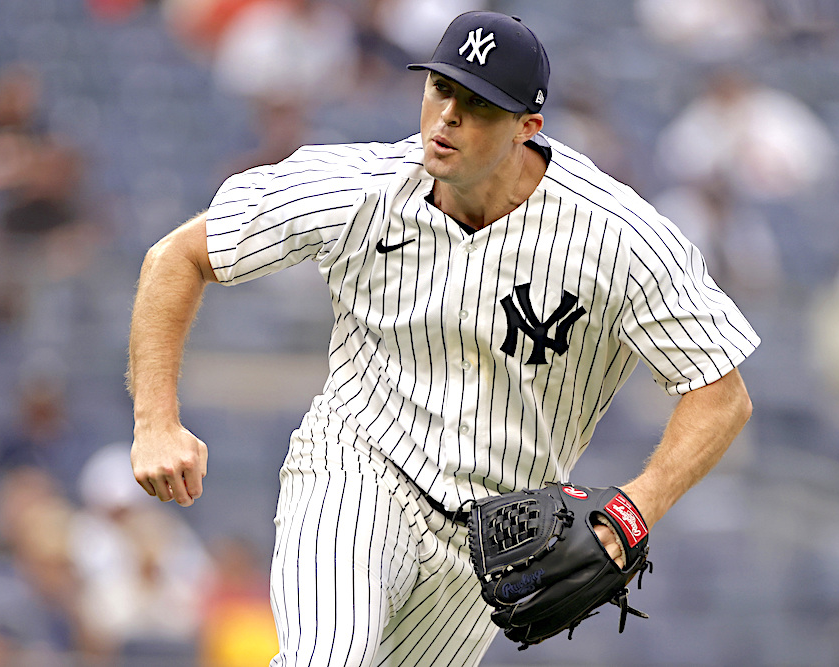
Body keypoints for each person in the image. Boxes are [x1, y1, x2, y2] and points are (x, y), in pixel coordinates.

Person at [127, 11, 758, 667]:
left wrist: (633, 511)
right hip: (358, 468)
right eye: (442, 88)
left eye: (478, 105)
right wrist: (156, 420)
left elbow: (722, 392)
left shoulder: (617, 236)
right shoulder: (363, 187)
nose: (448, 116)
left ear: (527, 128)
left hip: (490, 541)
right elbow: (177, 256)